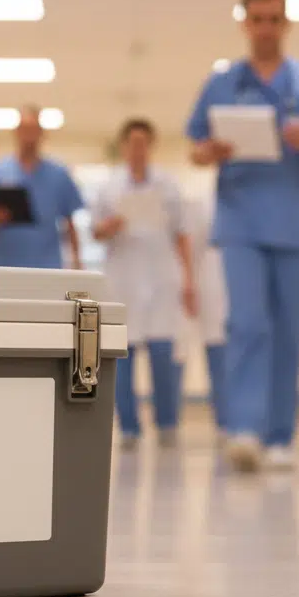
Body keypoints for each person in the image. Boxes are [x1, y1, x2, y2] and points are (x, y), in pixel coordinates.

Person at [186, 0, 299, 472]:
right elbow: (196, 150)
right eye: (256, 19)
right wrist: (211, 151)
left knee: (288, 331)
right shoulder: (222, 83)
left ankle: (280, 435)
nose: (265, 28)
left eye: (273, 19)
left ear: (286, 24)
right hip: (240, 221)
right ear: (244, 23)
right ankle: (245, 428)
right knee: (247, 323)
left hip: (295, 224)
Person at [92, 119, 199, 450]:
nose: (138, 149)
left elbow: (182, 235)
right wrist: (110, 226)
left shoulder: (168, 185)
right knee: (121, 359)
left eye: (143, 143)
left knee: (163, 356)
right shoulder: (108, 187)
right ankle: (129, 428)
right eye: (132, 143)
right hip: (123, 280)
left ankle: (167, 424)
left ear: (151, 146)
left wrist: (188, 279)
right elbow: (95, 232)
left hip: (162, 279)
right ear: (123, 146)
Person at [0, 105, 85, 269]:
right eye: (24, 129)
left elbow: (70, 223)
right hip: (6, 265)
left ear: (42, 133)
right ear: (16, 132)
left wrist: (77, 261)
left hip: (48, 265)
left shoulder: (59, 174)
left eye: (33, 129)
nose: (29, 135)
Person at [184, 192, 232, 445]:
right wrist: (190, 285)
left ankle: (250, 420)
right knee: (218, 357)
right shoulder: (204, 204)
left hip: (244, 287)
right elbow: (192, 250)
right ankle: (225, 421)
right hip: (212, 285)